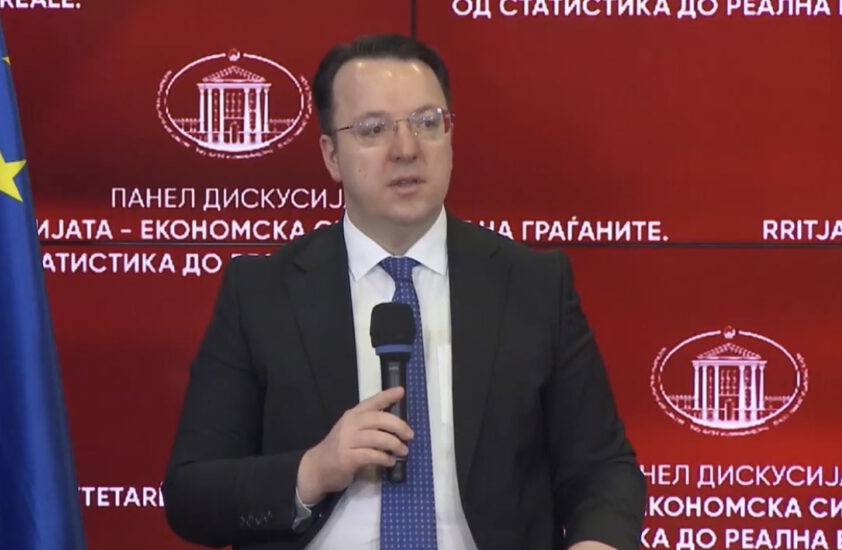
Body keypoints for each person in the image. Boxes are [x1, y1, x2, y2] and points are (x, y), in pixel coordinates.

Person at [163, 34, 645, 550]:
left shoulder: (532, 285)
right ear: (331, 155)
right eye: (374, 129)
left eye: (427, 122)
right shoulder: (262, 293)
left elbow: (603, 470)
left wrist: (597, 543)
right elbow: (192, 494)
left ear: (450, 137)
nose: (407, 149)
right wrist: (313, 470)